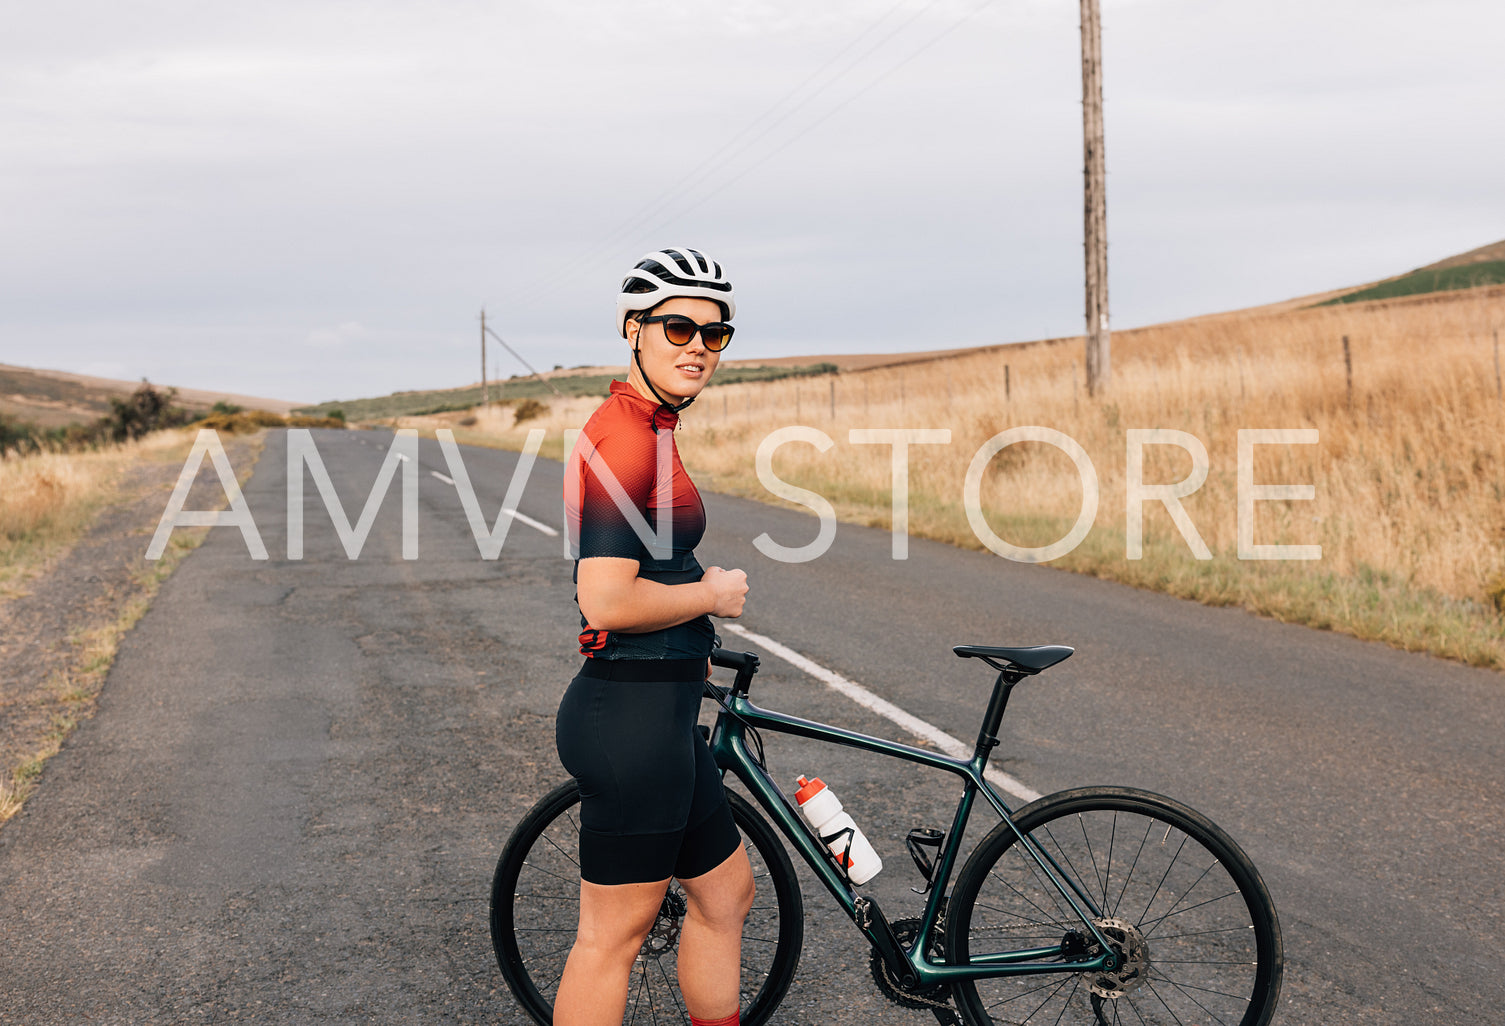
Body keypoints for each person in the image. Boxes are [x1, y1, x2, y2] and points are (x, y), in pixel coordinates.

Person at [553, 247, 752, 1026]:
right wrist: (708, 593)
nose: (697, 346)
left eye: (715, 332)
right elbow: (603, 599)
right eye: (678, 327)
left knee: (726, 893)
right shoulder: (628, 437)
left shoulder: (650, 426)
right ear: (632, 329)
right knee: (611, 938)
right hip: (629, 724)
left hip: (660, 722)